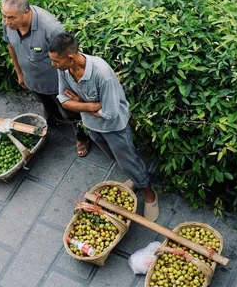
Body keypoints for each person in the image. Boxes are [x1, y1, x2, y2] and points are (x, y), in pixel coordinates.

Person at [48, 32, 159, 221]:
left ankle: (149, 193)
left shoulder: (102, 75)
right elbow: (64, 100)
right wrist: (91, 104)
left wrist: (80, 103)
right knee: (114, 157)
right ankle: (136, 177)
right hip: (92, 125)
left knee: (128, 160)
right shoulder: (63, 70)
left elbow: (110, 114)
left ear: (70, 57)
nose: (53, 65)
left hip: (115, 127)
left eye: (55, 61)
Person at [2, 0, 91, 157]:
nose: (7, 22)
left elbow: (69, 59)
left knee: (72, 113)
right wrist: (20, 72)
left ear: (26, 12)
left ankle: (82, 137)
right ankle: (54, 120)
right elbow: (11, 46)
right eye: (4, 16)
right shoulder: (10, 23)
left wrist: (74, 85)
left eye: (11, 17)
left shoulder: (51, 29)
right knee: (46, 105)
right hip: (33, 81)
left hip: (58, 84)